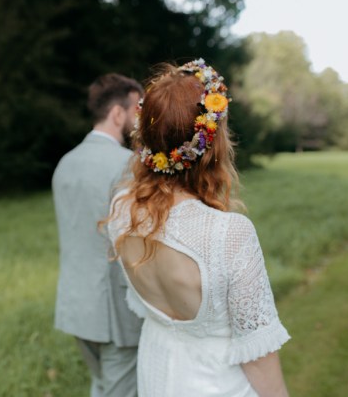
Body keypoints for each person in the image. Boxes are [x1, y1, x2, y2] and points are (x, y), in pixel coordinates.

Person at [105, 59, 291, 397]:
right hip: (217, 385)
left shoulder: (121, 210)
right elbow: (259, 354)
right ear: (213, 145)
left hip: (157, 373)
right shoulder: (229, 233)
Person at [52, 73, 144, 397]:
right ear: (118, 113)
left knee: (102, 386)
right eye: (137, 109)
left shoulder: (65, 162)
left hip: (76, 304)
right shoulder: (129, 164)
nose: (141, 118)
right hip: (115, 310)